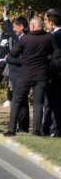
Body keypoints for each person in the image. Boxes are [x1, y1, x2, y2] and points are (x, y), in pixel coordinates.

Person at [4, 18, 53, 136]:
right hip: (41, 74)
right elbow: (54, 54)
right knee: (38, 103)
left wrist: (21, 60)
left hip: (25, 74)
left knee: (16, 101)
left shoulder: (25, 39)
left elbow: (12, 55)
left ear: (32, 26)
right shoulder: (49, 38)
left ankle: (11, 129)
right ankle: (37, 130)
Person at [44, 9, 61, 137]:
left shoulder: (54, 36)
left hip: (54, 73)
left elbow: (53, 55)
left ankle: (53, 129)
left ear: (51, 22)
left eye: (45, 20)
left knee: (53, 102)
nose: (45, 23)